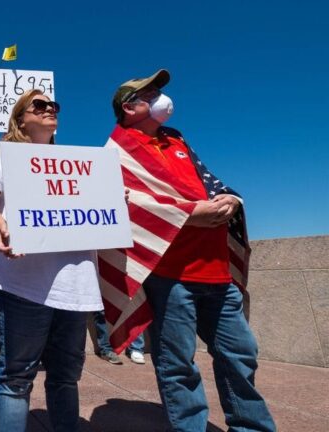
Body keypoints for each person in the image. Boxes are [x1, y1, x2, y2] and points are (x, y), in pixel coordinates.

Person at [105, 69, 275, 431]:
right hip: (171, 274)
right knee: (177, 363)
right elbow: (121, 204)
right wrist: (187, 215)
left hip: (217, 271)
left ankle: (251, 427)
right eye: (150, 93)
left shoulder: (177, 140)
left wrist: (229, 197)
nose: (160, 98)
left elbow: (207, 181)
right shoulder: (113, 153)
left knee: (241, 355)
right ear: (129, 106)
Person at [0, 90, 104, 432]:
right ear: (20, 119)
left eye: (53, 106)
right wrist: (1, 224)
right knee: (16, 378)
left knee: (66, 376)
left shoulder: (76, 166)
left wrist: (111, 196)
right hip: (22, 283)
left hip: (74, 284)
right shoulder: (4, 154)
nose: (49, 110)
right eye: (39, 106)